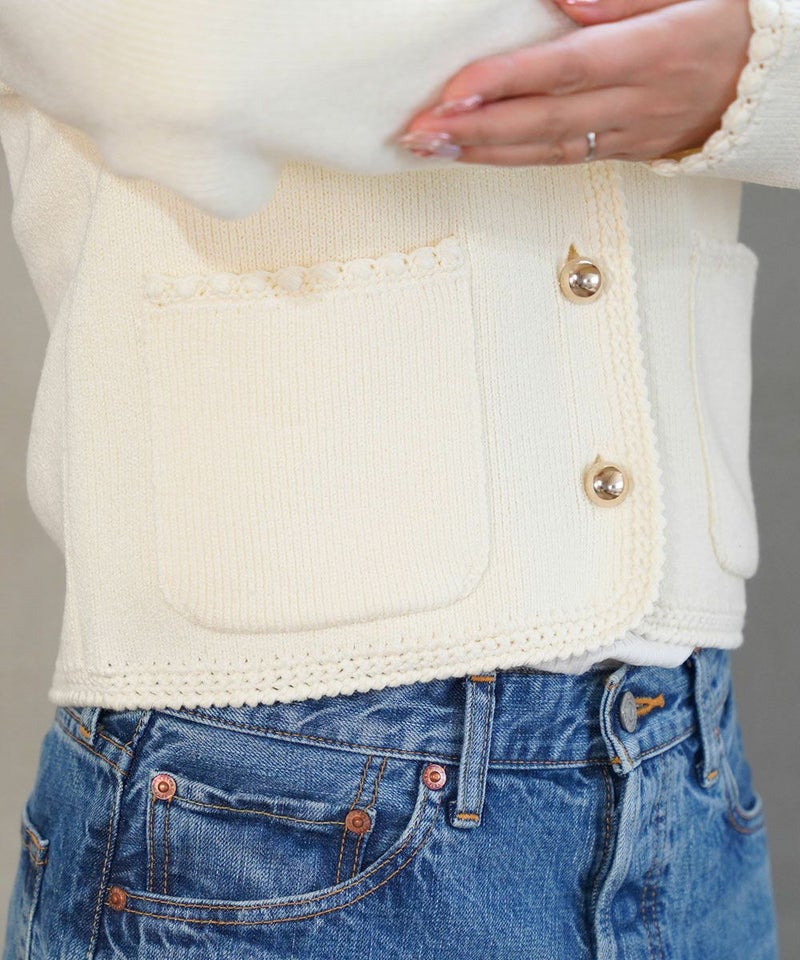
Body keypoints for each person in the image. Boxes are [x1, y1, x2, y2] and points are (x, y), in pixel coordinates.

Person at [0, 0, 794, 956]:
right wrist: (730, 41)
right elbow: (196, 57)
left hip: (684, 746)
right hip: (279, 769)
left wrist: (754, 64)